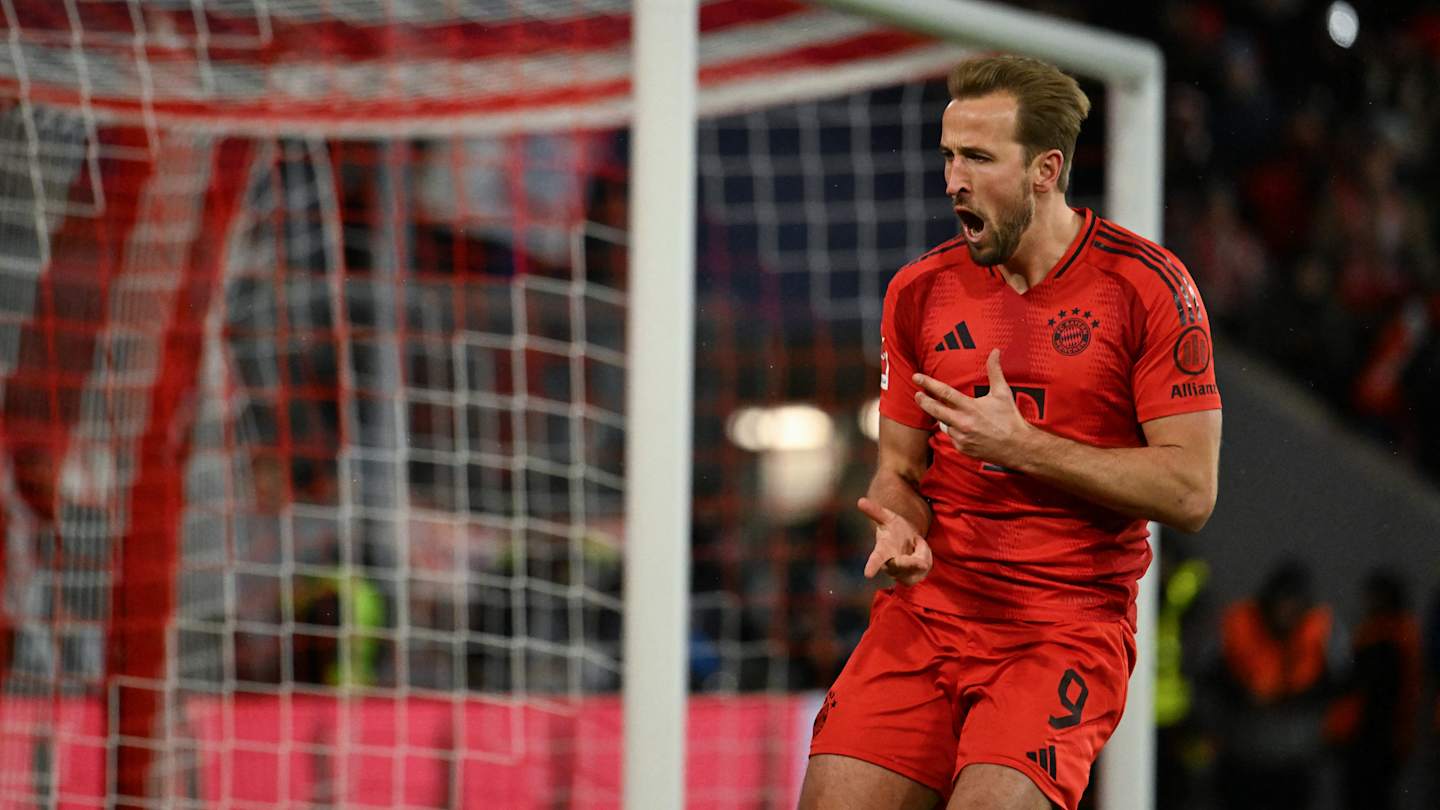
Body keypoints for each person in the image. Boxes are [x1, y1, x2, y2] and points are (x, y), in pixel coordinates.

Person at [800, 54, 1223, 810]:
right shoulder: (919, 291)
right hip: (927, 615)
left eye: (978, 158)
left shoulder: (1149, 290)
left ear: (1045, 171)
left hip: (1062, 630)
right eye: (948, 156)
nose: (952, 180)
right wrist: (901, 524)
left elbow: (1191, 492)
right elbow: (899, 469)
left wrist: (1022, 446)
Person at [1211, 561, 1333, 810]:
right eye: (1282, 602)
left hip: (1295, 759)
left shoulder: (1322, 633)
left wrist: (1295, 698)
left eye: (1294, 604)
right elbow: (1210, 678)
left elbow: (1339, 686)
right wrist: (1244, 695)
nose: (1286, 611)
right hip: (1243, 756)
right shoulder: (1238, 626)